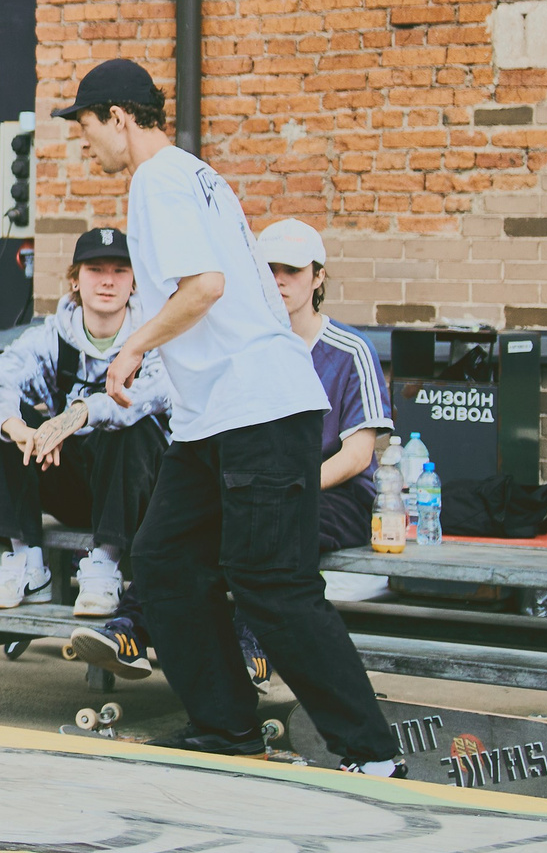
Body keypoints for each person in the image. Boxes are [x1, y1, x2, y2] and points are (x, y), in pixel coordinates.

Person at [62, 58, 402, 774]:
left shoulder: (158, 179)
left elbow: (205, 287)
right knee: (163, 564)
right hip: (210, 419)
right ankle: (227, 727)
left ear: (118, 116)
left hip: (257, 408)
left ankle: (371, 753)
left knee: (271, 584)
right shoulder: (194, 174)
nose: (85, 144)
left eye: (87, 127)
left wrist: (129, 349)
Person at [0, 226, 171, 626]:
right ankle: (24, 561)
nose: (108, 280)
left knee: (128, 425)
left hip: (137, 491)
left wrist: (77, 415)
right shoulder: (52, 337)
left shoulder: (155, 340)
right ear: (75, 279)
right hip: (72, 485)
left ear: (134, 283)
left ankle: (105, 567)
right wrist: (19, 428)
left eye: (119, 270)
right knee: (1, 420)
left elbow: (148, 398)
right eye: (95, 269)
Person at [259, 219, 394, 578]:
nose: (279, 280)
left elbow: (357, 455)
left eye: (292, 270)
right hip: (264, 489)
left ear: (318, 277)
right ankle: (127, 627)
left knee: (279, 524)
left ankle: (254, 632)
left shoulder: (352, 350)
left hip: (339, 496)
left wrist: (292, 487)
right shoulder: (248, 350)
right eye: (269, 269)